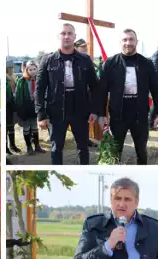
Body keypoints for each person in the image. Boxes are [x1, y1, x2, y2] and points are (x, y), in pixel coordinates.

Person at [35, 23, 98, 165]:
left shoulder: (85, 60)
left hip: (80, 111)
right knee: (56, 149)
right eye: (63, 33)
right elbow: (39, 89)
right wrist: (41, 115)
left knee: (83, 148)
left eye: (70, 34)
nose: (67, 36)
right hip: (57, 111)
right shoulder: (48, 60)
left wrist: (95, 110)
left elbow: (95, 87)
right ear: (58, 37)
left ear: (74, 37)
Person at [98, 29, 158, 165]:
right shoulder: (110, 63)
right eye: (125, 40)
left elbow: (156, 90)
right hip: (118, 114)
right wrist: (102, 114)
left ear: (136, 42)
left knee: (141, 150)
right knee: (115, 151)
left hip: (140, 114)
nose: (128, 43)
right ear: (120, 42)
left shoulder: (147, 64)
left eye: (131, 39)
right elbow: (102, 91)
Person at [15, 60, 46, 155]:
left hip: (35, 107)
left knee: (34, 127)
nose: (32, 71)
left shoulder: (39, 79)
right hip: (25, 107)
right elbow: (18, 97)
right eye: (30, 69)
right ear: (26, 70)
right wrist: (20, 111)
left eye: (34, 69)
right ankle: (29, 147)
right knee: (26, 128)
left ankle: (37, 146)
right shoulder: (22, 81)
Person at [5, 64, 22, 155]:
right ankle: (6, 148)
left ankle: (13, 145)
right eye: (11, 68)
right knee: (6, 127)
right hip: (7, 106)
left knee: (11, 126)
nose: (13, 69)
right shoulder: (6, 79)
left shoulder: (13, 78)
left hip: (12, 105)